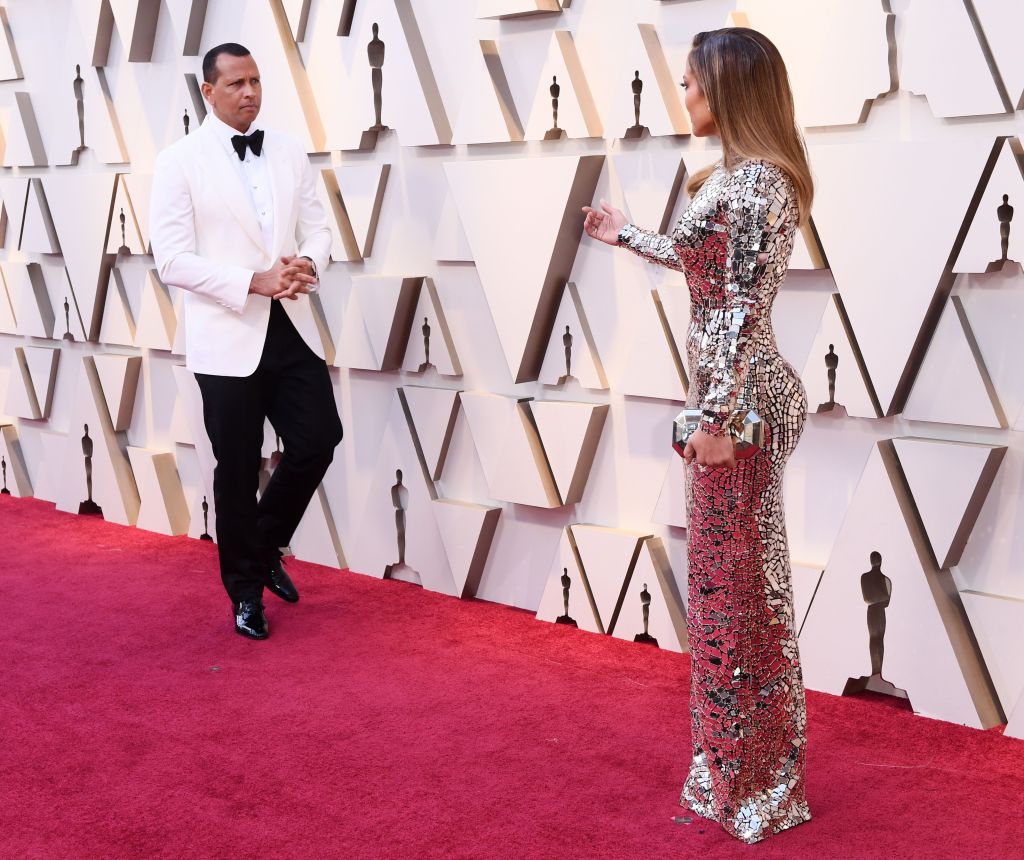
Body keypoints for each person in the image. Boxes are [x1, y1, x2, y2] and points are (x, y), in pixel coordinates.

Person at [583, 27, 812, 844]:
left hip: (738, 408)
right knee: (734, 591)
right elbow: (703, 263)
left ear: (724, 90)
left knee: (736, 598)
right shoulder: (744, 178)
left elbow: (741, 311)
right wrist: (625, 235)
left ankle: (755, 784)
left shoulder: (753, 184)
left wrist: (717, 420)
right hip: (729, 400)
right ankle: (741, 775)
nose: (681, 97)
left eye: (688, 84)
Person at [151, 43, 342, 641]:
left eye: (256, 81)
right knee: (236, 468)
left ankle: (261, 549)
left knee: (318, 439)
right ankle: (245, 594)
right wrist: (251, 282)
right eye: (236, 83)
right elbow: (171, 259)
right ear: (208, 92)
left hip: (289, 325)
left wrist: (308, 261)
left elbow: (319, 227)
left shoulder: (287, 149)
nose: (250, 92)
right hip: (226, 334)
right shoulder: (179, 161)